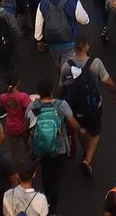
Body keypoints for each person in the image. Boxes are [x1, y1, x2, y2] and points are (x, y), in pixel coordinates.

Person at [59, 34, 116, 178]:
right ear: (87, 46)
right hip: (92, 106)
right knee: (95, 133)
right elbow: (108, 83)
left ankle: (85, 150)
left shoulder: (66, 66)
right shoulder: (95, 63)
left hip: (73, 107)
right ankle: (88, 160)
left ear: (74, 48)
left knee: (80, 129)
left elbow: (61, 87)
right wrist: (115, 94)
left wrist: (60, 103)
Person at [25, 76, 83, 216]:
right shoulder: (61, 105)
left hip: (40, 148)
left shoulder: (33, 106)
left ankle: (45, 199)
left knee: (46, 174)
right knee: (55, 179)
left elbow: (27, 124)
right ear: (51, 91)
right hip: (59, 148)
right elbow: (73, 124)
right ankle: (53, 211)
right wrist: (80, 129)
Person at [35, 0, 90, 70]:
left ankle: (62, 77)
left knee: (58, 64)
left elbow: (38, 24)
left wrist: (39, 40)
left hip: (52, 42)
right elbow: (85, 21)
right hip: (70, 41)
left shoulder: (42, 3)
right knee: (72, 67)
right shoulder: (73, 1)